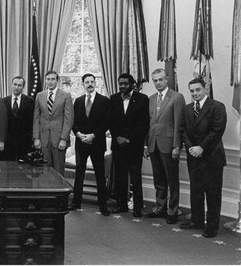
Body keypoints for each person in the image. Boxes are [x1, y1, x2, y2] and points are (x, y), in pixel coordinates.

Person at [179, 78, 227, 238]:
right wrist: (191, 148)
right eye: (192, 91)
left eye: (198, 90)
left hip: (212, 157)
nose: (195, 94)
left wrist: (201, 148)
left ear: (206, 89)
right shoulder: (187, 108)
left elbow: (217, 130)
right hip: (194, 156)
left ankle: (212, 226)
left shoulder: (217, 106)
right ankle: (196, 220)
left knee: (213, 193)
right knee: (196, 191)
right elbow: (183, 130)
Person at [144, 68, 185, 224]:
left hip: (169, 146)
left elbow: (178, 124)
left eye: (160, 79)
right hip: (153, 144)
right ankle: (160, 208)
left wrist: (176, 146)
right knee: (159, 179)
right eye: (155, 80)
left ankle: (172, 211)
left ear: (167, 79)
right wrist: (146, 146)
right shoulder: (151, 98)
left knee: (172, 180)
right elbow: (149, 124)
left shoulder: (176, 97)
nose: (158, 83)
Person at [108, 73, 149, 217]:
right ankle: (121, 205)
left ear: (132, 84)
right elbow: (111, 121)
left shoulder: (142, 99)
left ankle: (138, 207)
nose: (122, 86)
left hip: (134, 145)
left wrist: (129, 139)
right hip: (118, 145)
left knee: (136, 177)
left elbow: (143, 123)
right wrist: (117, 137)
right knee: (120, 177)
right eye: (120, 83)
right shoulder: (113, 98)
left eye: (125, 83)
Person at [70, 73, 111, 216]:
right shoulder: (78, 101)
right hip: (81, 142)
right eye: (87, 82)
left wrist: (93, 135)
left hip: (97, 142)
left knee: (99, 174)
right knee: (79, 173)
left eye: (92, 81)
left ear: (95, 83)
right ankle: (76, 202)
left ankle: (103, 205)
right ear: (83, 84)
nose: (90, 84)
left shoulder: (104, 100)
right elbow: (73, 122)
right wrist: (79, 134)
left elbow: (107, 122)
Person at [33, 70, 74, 176]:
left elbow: (68, 119)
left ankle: (59, 192)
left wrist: (64, 139)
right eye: (48, 79)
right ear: (45, 80)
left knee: (58, 170)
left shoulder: (66, 96)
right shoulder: (39, 95)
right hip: (43, 139)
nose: (50, 82)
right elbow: (36, 118)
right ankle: (46, 192)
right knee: (44, 170)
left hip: (59, 139)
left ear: (57, 80)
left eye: (53, 79)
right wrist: (36, 138)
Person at [3, 76, 34, 161]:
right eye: (15, 84)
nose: (16, 87)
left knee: (23, 169)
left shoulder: (30, 101)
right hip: (8, 141)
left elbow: (32, 122)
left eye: (19, 85)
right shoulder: (4, 101)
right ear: (11, 85)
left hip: (24, 141)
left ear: (23, 87)